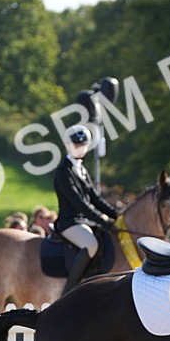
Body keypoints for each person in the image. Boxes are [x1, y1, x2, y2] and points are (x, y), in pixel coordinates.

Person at [54, 124, 121, 293]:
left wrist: (117, 215)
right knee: (91, 244)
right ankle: (69, 290)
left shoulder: (81, 169)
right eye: (76, 144)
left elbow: (95, 199)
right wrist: (102, 219)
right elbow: (79, 203)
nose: (80, 148)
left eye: (83, 145)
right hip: (70, 222)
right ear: (68, 145)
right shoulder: (64, 172)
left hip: (84, 221)